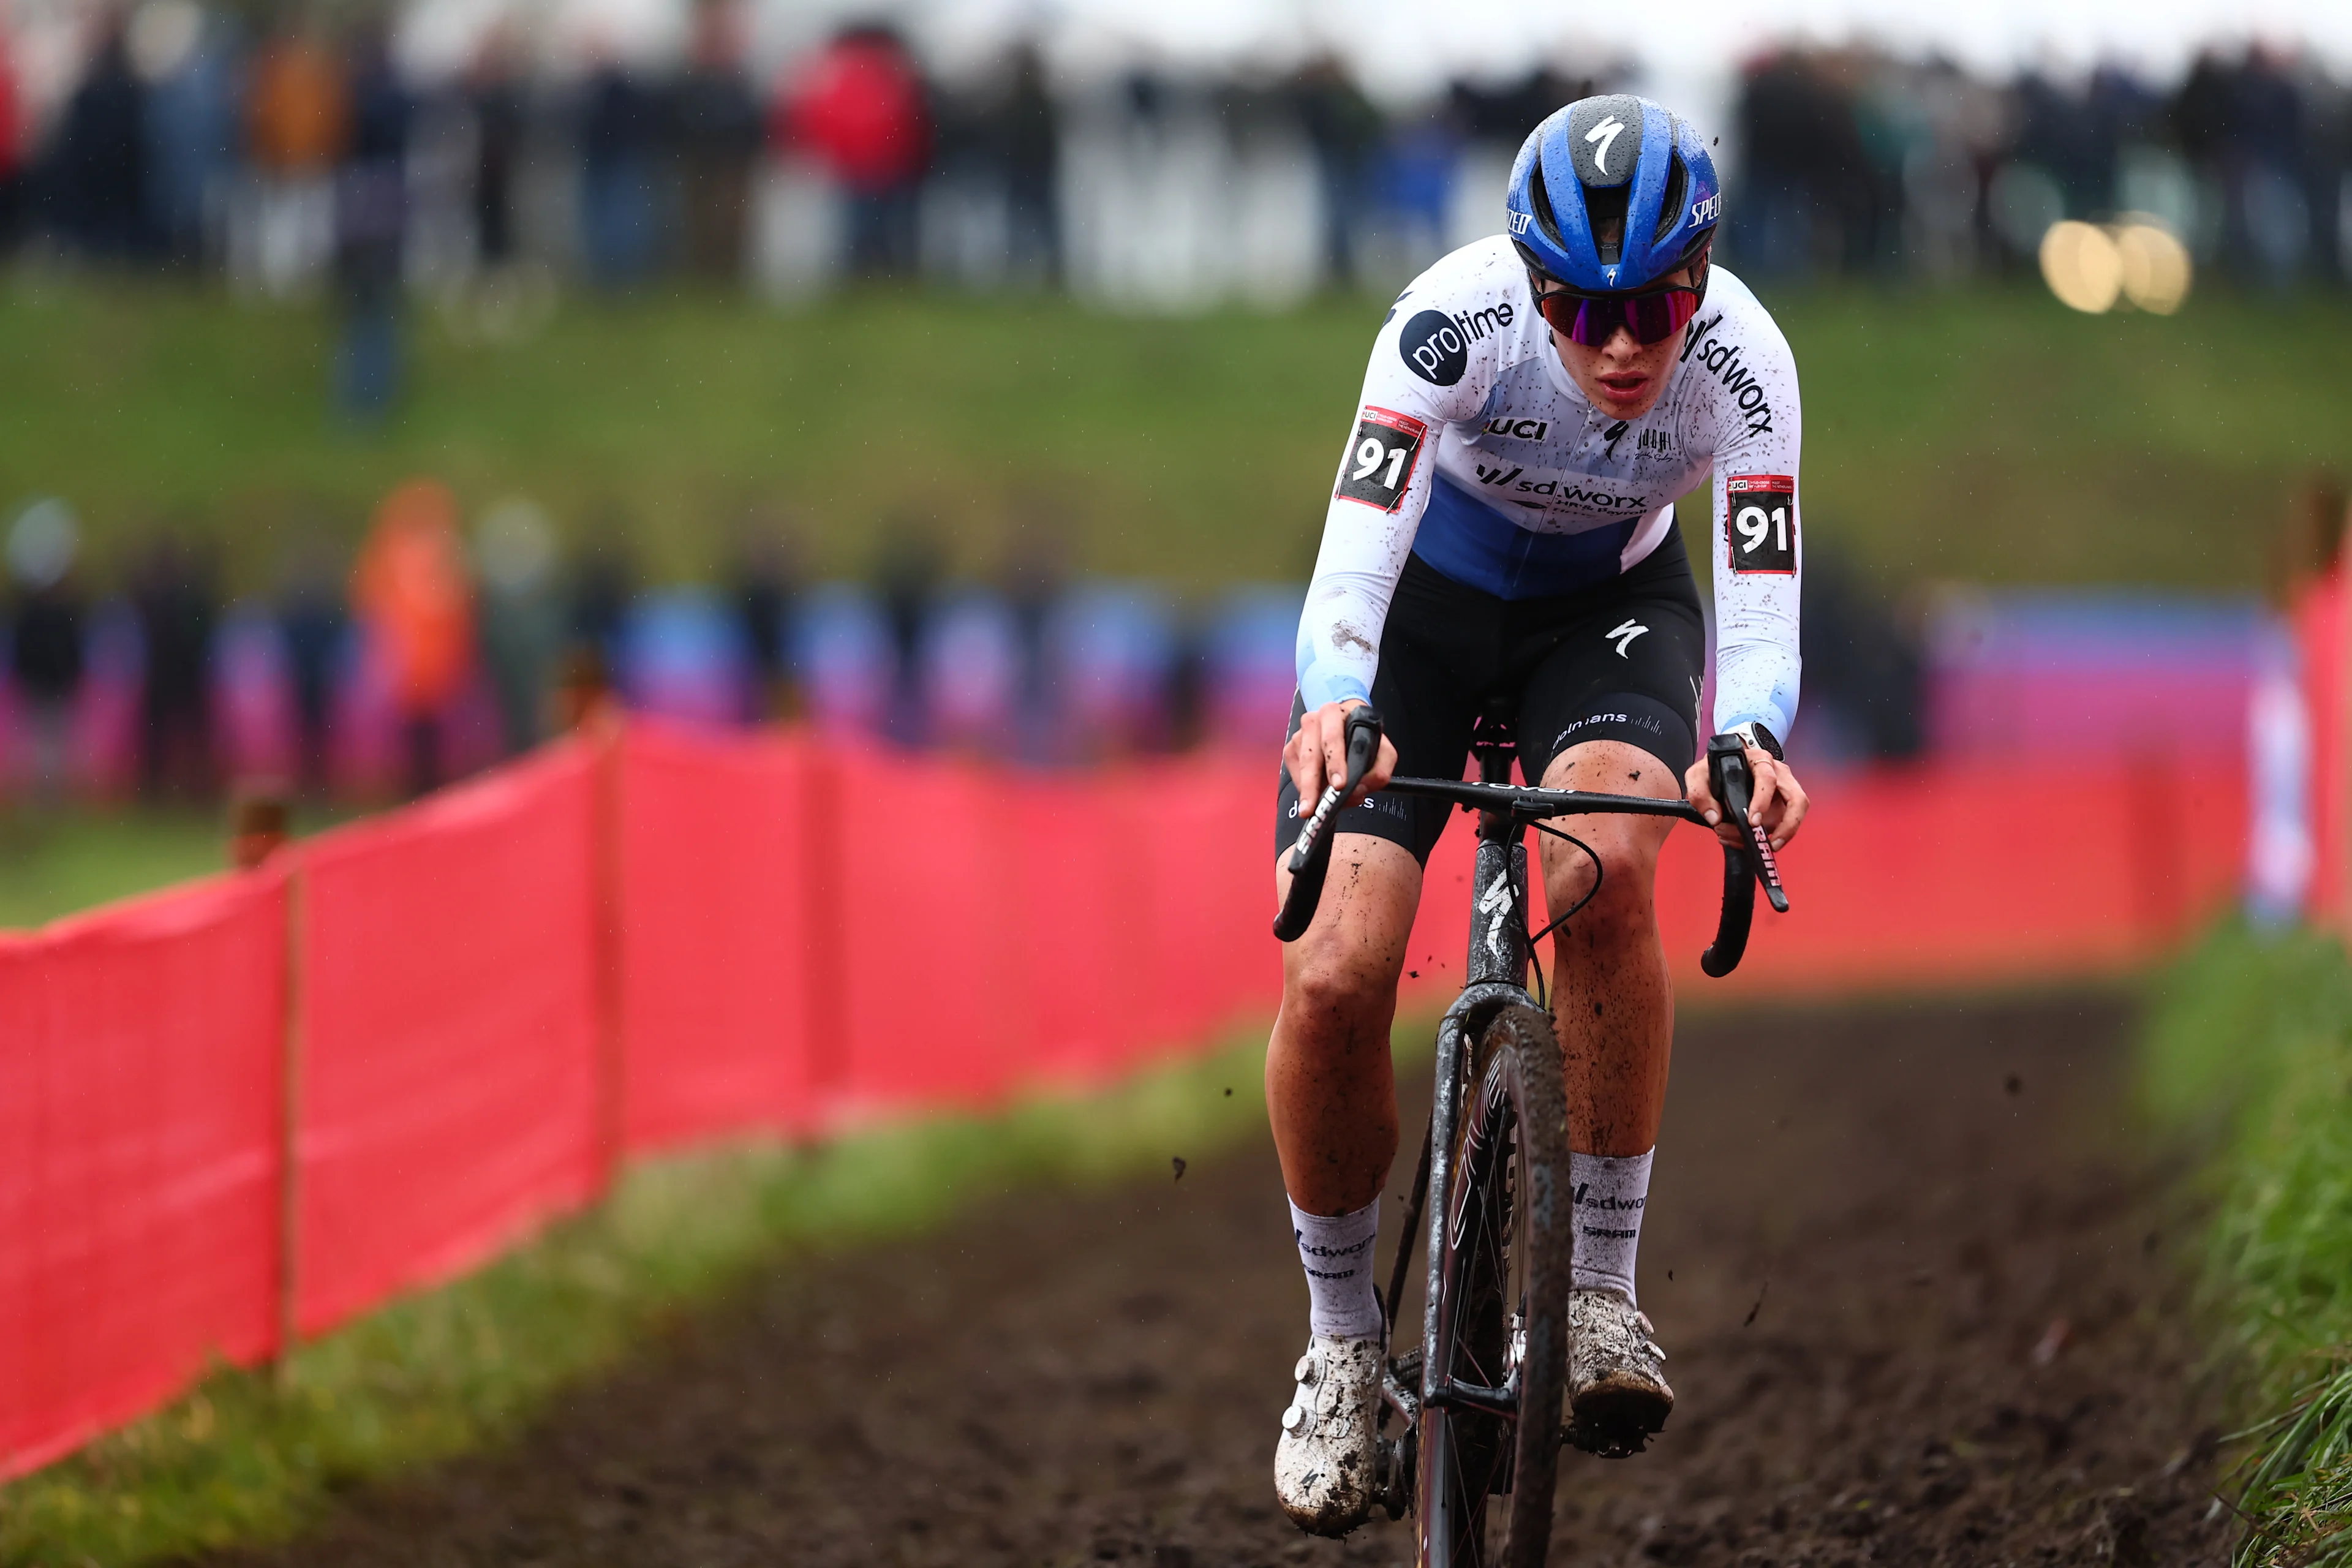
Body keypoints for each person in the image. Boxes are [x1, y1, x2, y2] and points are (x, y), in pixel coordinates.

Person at [1266, 94, 1811, 1536]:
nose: (1626, 342)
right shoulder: (1451, 324)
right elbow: (1354, 548)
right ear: (1529, 280)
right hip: (1422, 626)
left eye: (1657, 305)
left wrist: (1751, 738)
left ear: (1699, 281)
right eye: (1585, 305)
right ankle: (1338, 1349)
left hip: (1608, 621)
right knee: (1335, 972)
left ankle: (1603, 1293)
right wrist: (1334, 694)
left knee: (1615, 867)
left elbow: (1761, 590)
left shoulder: (1746, 362)